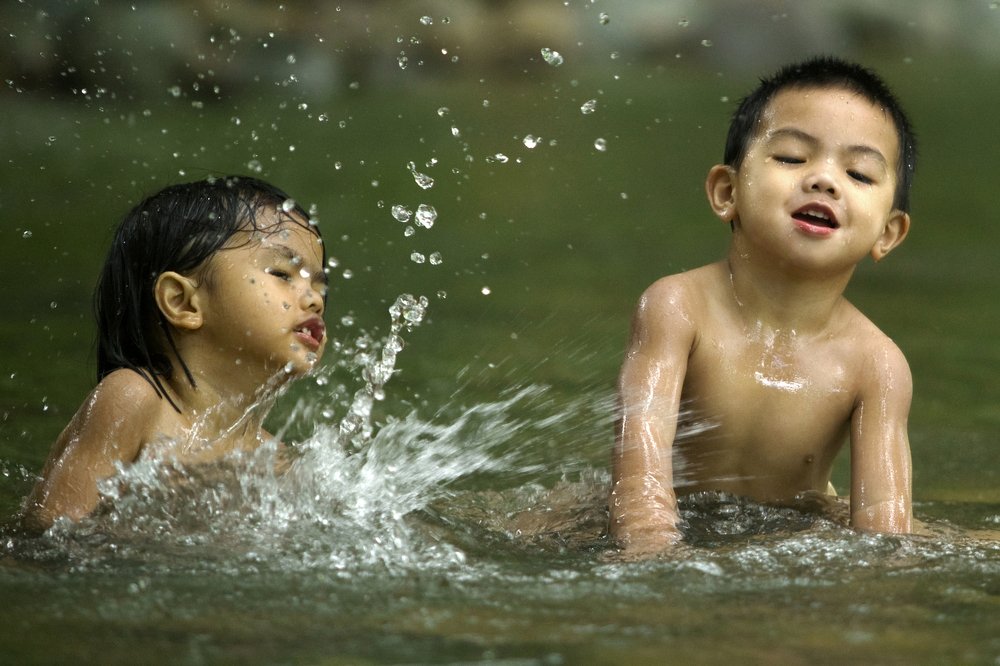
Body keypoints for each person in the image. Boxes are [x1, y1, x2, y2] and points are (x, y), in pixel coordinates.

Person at [610, 57, 917, 555]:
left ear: (887, 232)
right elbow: (638, 476)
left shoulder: (876, 365)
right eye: (793, 157)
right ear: (727, 191)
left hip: (795, 527)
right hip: (670, 518)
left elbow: (886, 535)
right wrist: (652, 552)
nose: (824, 180)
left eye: (859, 173)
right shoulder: (679, 308)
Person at [20, 175, 329, 531]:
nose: (314, 299)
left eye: (319, 286)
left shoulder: (277, 460)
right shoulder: (134, 401)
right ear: (182, 302)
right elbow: (49, 533)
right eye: (283, 274)